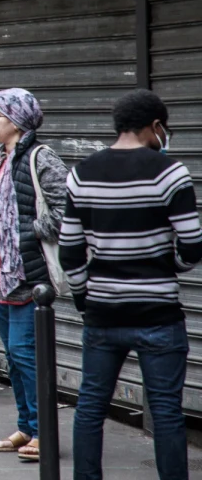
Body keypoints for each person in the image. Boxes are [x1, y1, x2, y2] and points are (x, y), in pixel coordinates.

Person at [62, 89, 201, 480]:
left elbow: (70, 252)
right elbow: (192, 245)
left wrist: (84, 297)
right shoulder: (170, 172)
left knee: (90, 407)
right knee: (166, 412)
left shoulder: (81, 173)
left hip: (103, 316)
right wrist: (166, 264)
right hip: (159, 315)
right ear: (156, 127)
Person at [0, 88, 66, 462]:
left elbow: (68, 210)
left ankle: (43, 430)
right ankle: (26, 425)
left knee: (26, 352)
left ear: (17, 121)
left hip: (27, 273)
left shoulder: (42, 158)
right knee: (11, 352)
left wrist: (28, 232)